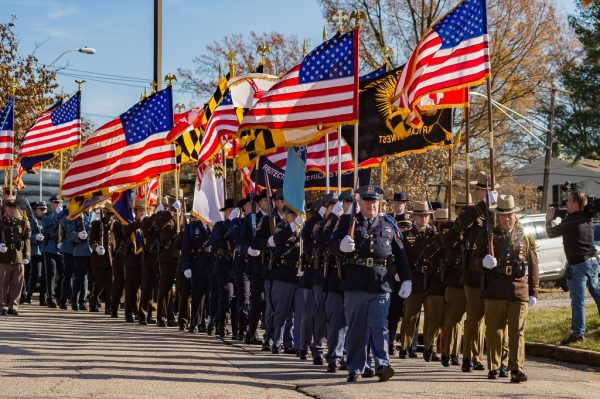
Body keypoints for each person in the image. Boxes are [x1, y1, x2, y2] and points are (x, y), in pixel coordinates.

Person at [331, 185, 412, 383]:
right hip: (355, 282)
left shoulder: (388, 223)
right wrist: (340, 245)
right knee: (356, 327)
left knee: (380, 325)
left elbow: (400, 253)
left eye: (374, 201)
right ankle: (355, 367)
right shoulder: (347, 221)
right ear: (359, 202)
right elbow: (330, 243)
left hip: (381, 282)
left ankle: (382, 364)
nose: (371, 204)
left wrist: (407, 278)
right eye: (367, 200)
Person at [472, 194, 539, 382]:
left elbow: (533, 265)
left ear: (515, 216)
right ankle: (494, 366)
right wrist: (482, 262)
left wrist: (534, 291)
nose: (507, 218)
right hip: (494, 289)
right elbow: (471, 262)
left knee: (517, 331)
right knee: (495, 330)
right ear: (497, 216)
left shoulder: (525, 236)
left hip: (518, 289)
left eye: (510, 214)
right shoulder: (487, 236)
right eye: (503, 215)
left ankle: (516, 369)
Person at [546, 191, 600, 345]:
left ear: (576, 204)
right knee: (596, 292)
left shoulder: (571, 223)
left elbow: (551, 233)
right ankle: (579, 332)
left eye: (568, 201)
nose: (565, 204)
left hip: (579, 265)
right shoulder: (586, 218)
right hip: (592, 261)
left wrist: (548, 220)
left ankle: (577, 333)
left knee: (578, 301)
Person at [397, 201, 437, 360]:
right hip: (414, 279)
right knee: (410, 316)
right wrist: (401, 275)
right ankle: (405, 347)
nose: (424, 218)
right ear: (414, 217)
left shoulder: (434, 235)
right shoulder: (406, 236)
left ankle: (429, 348)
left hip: (432, 280)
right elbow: (400, 258)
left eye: (426, 215)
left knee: (432, 316)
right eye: (421, 215)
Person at [439, 193, 471, 367]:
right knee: (452, 318)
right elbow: (448, 244)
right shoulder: (448, 227)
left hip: (473, 278)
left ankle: (468, 355)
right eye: (462, 209)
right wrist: (461, 227)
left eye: (469, 210)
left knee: (474, 320)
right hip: (456, 278)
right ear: (456, 210)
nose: (465, 213)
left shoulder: (477, 228)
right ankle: (447, 351)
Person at [0, 196, 31, 315]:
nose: (13, 210)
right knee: (2, 283)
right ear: (5, 208)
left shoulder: (21, 222)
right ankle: (3, 306)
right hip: (3, 257)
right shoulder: (1, 223)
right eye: (10, 207)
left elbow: (26, 238)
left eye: (14, 208)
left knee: (17, 283)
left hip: (18, 256)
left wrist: (27, 255)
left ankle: (14, 306)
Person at [181, 215, 211, 333]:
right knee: (197, 293)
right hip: (198, 262)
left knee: (212, 295)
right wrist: (186, 265)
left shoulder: (215, 224)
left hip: (213, 261)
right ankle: (195, 322)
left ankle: (213, 323)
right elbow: (185, 247)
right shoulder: (193, 227)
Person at [89, 208, 112, 313]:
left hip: (111, 259)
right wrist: (96, 247)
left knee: (111, 283)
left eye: (112, 214)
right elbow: (92, 240)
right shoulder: (97, 224)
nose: (110, 216)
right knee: (100, 283)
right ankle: (93, 301)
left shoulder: (115, 224)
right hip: (99, 258)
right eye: (108, 214)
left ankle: (109, 307)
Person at [69, 209, 93, 311]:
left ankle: (92, 301)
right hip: (81, 251)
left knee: (92, 279)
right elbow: (69, 234)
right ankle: (76, 300)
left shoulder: (97, 215)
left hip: (95, 251)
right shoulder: (77, 216)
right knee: (80, 278)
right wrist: (78, 235)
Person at [42, 196, 64, 308]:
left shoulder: (64, 214)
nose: (57, 204)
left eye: (59, 202)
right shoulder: (48, 215)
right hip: (50, 247)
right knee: (51, 274)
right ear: (51, 204)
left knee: (63, 274)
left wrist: (62, 215)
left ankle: (61, 297)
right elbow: (45, 224)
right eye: (55, 202)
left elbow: (67, 224)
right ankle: (50, 298)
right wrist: (57, 214)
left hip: (62, 248)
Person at [25, 201, 47, 305]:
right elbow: (25, 236)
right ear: (34, 210)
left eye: (44, 209)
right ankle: (29, 294)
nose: (43, 211)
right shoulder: (29, 220)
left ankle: (43, 298)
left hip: (45, 249)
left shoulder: (45, 220)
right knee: (36, 274)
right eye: (41, 209)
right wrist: (35, 237)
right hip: (35, 250)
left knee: (45, 274)